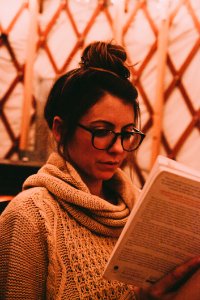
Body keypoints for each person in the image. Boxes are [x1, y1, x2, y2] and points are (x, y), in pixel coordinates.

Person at [0, 41, 200, 300]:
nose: (118, 148)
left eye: (127, 133)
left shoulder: (142, 210)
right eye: (102, 131)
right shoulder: (31, 218)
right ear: (60, 130)